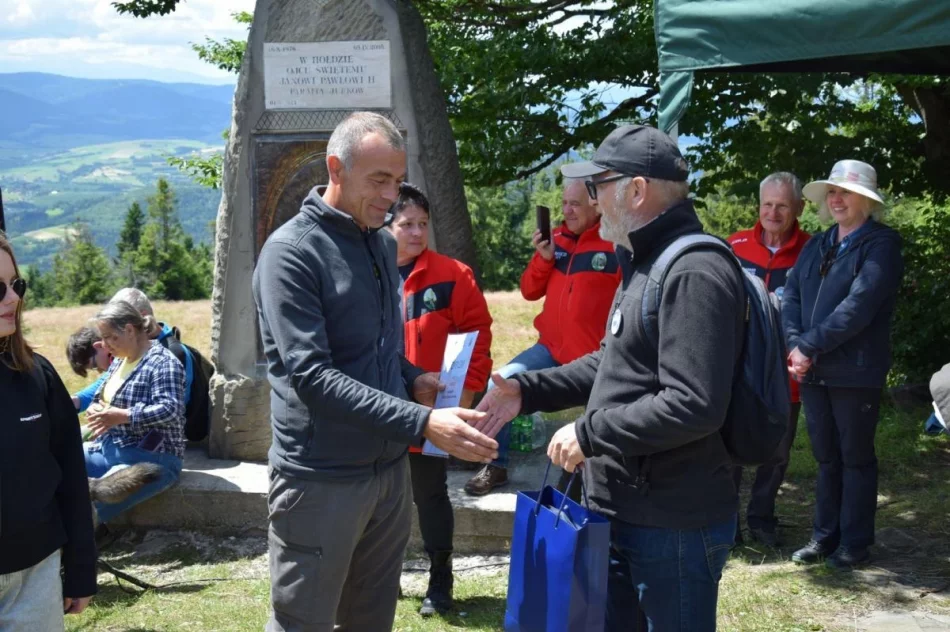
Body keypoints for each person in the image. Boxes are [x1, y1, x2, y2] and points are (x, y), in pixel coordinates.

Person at [475, 125, 745, 629]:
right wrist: (526, 390)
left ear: (637, 190)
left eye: (599, 186)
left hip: (673, 522)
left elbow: (694, 403)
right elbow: (611, 364)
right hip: (625, 507)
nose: (593, 200)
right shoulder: (644, 261)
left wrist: (588, 433)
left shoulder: (694, 271)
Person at [252, 111, 498, 632]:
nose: (392, 196)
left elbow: (377, 345)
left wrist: (413, 377)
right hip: (320, 480)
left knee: (370, 621)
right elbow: (313, 377)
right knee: (304, 623)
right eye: (378, 180)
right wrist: (422, 421)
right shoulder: (290, 255)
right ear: (335, 168)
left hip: (387, 476)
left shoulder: (381, 244)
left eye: (398, 180)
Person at [464, 177, 621, 496]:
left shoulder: (615, 242)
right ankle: (495, 464)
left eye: (574, 204)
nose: (567, 211)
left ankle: (587, 483)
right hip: (549, 348)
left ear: (594, 203)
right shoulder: (557, 239)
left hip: (593, 357)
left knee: (596, 422)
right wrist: (544, 258)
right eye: (563, 203)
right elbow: (529, 290)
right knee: (504, 382)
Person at [783, 159, 904, 570]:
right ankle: (823, 536)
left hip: (855, 370)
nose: (836, 199)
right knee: (826, 457)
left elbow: (860, 306)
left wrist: (808, 346)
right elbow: (792, 296)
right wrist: (796, 345)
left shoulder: (881, 245)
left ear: (866, 201)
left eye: (845, 192)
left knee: (854, 457)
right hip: (814, 369)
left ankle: (854, 542)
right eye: (832, 192)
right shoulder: (819, 243)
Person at [388, 182, 494, 616]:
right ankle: (382, 575)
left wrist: (463, 396)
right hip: (376, 411)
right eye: (406, 224)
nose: (416, 232)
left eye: (423, 224)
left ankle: (440, 579)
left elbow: (478, 338)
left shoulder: (454, 275)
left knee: (430, 495)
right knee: (380, 498)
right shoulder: (366, 273)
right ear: (386, 225)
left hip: (434, 412)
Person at [0, 232, 96, 628]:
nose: (12, 298)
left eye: (15, 284)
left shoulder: (38, 375)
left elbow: (72, 479)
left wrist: (80, 569)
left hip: (36, 577)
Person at [728, 172, 811, 547]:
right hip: (737, 366)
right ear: (757, 206)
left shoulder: (813, 249)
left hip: (786, 369)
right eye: (767, 205)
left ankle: (761, 518)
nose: (773, 213)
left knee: (777, 452)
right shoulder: (734, 246)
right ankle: (726, 523)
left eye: (782, 206)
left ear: (798, 208)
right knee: (727, 447)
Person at [83, 300, 186, 524]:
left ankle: (75, 550)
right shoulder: (119, 362)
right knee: (55, 467)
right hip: (108, 448)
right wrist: (95, 407)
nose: (104, 345)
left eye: (110, 337)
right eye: (102, 337)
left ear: (129, 330)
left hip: (153, 456)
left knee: (86, 502)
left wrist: (123, 415)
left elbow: (171, 410)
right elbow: (99, 395)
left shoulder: (163, 362)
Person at [68, 288, 213, 441]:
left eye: (117, 321)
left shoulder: (171, 355)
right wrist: (74, 402)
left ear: (141, 317)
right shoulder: (132, 349)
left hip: (158, 441)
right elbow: (105, 384)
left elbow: (167, 414)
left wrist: (113, 416)